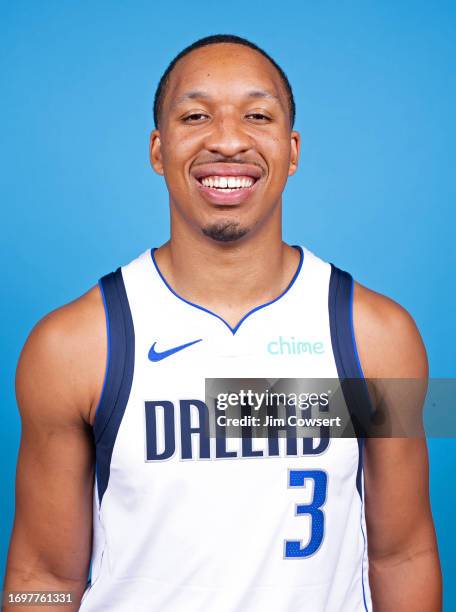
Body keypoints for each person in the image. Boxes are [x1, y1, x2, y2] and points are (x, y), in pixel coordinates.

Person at [3, 34, 442, 611]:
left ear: (292, 150)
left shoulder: (375, 337)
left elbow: (402, 554)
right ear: (158, 151)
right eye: (196, 115)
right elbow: (42, 577)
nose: (229, 140)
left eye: (257, 115)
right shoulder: (73, 346)